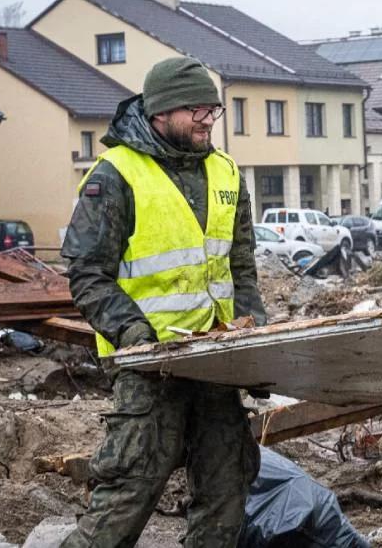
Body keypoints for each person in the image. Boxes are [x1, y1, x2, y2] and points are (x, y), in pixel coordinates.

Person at [61, 57, 267, 547]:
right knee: (128, 491)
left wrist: (253, 327)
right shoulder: (115, 174)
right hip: (149, 367)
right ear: (160, 111)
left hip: (216, 361)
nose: (206, 118)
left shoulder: (226, 173)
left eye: (211, 109)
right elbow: (87, 273)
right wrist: (134, 335)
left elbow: (240, 265)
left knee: (227, 487)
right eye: (195, 108)